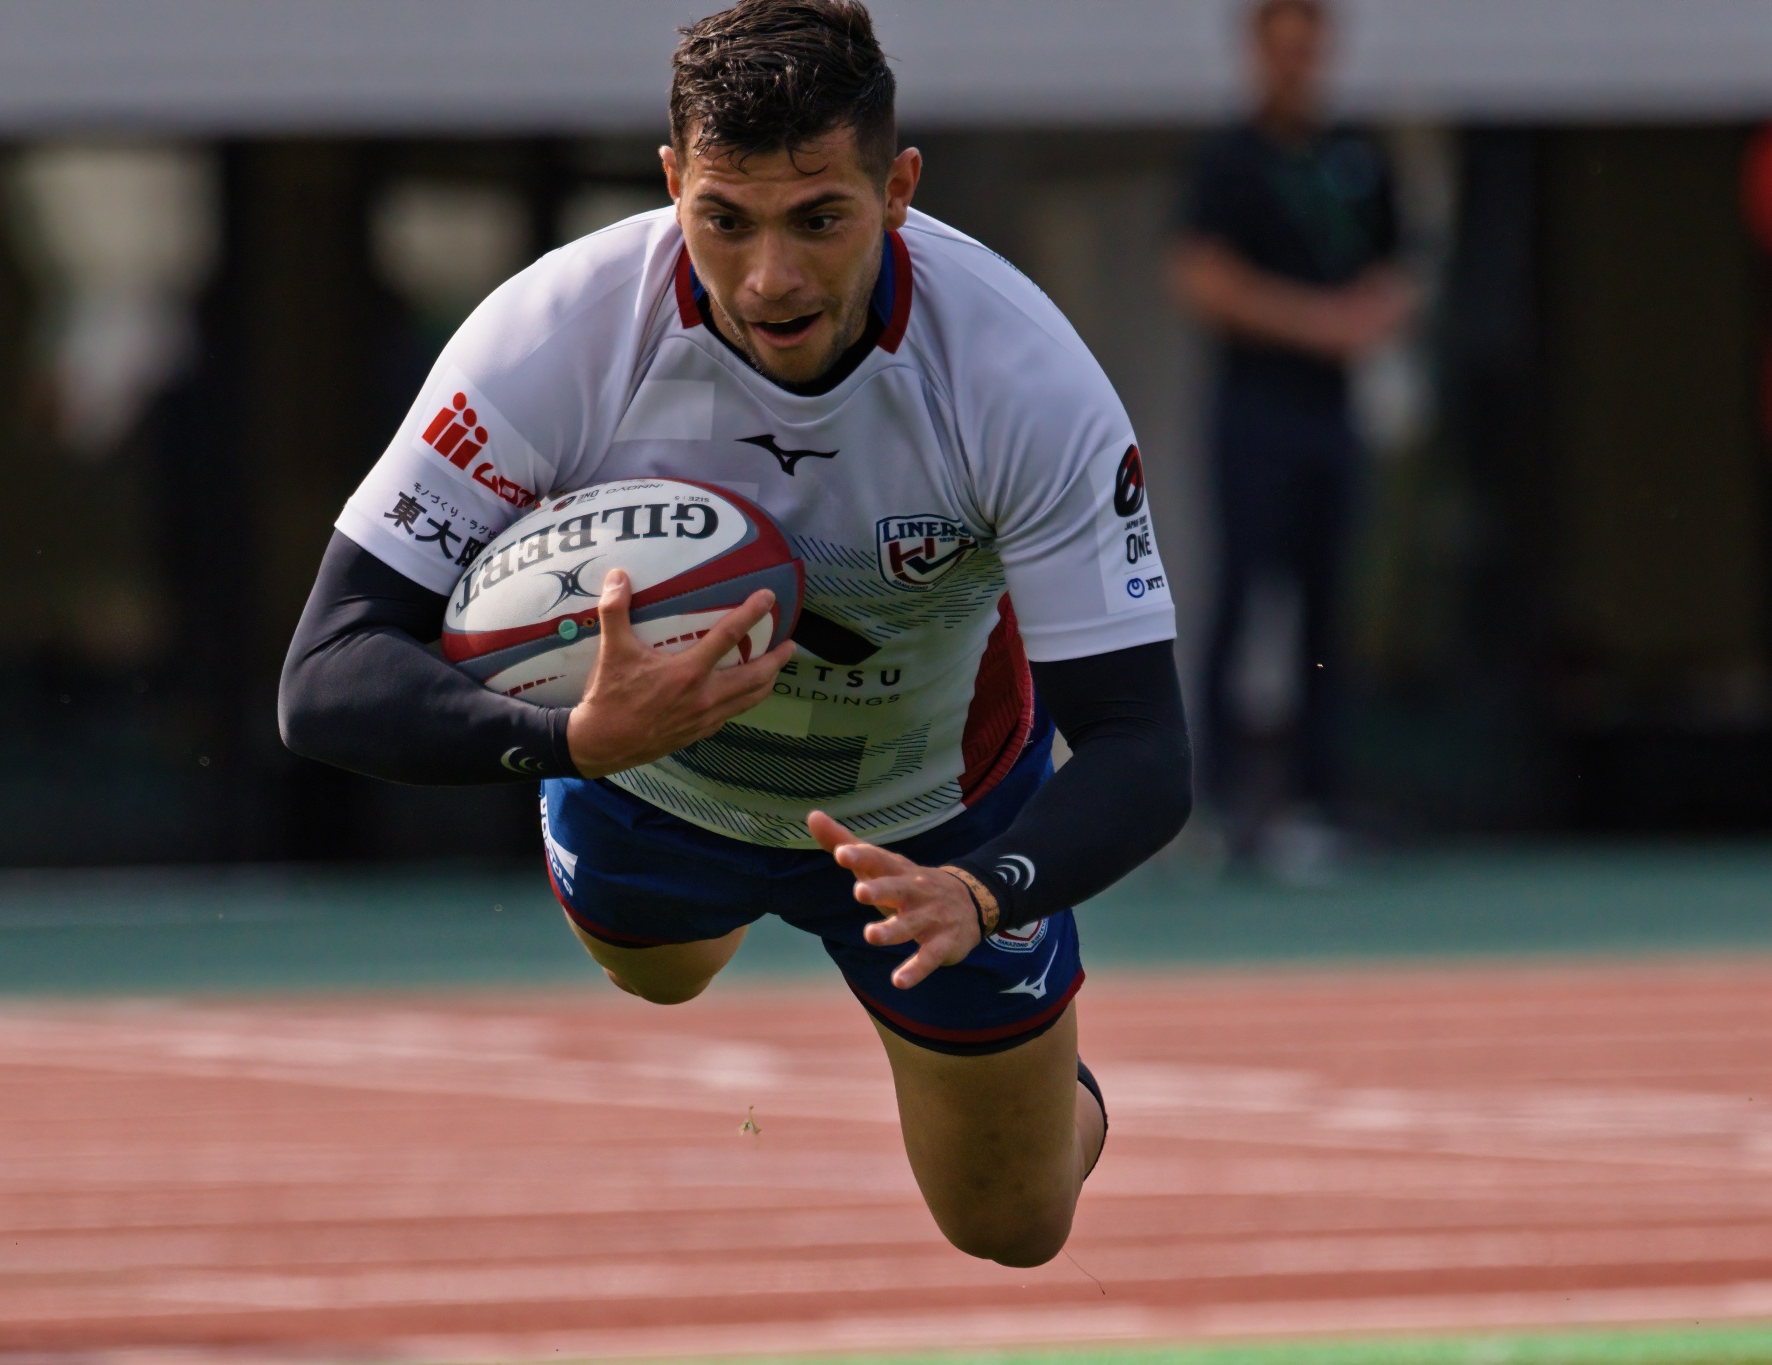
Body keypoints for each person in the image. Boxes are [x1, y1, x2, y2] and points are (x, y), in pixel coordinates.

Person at [279, 0, 1190, 1267]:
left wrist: (984, 890)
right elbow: (325, 675)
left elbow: (1143, 745)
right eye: (725, 220)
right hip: (645, 782)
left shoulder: (1021, 379)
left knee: (1013, 1226)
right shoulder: (552, 336)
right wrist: (572, 737)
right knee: (658, 974)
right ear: (670, 184)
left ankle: (1048, 1099)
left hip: (928, 825)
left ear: (898, 191)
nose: (770, 278)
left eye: (818, 218)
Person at [1169, 0, 1413, 865]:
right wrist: (1317, 323)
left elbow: (1399, 266)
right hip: (1256, 408)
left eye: (1307, 50)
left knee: (1329, 605)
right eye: (1280, 50)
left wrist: (1373, 318)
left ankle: (1319, 798)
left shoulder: (1357, 151)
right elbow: (1202, 277)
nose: (1295, 66)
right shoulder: (1228, 156)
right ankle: (1220, 803)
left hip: (1333, 412)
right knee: (1242, 594)